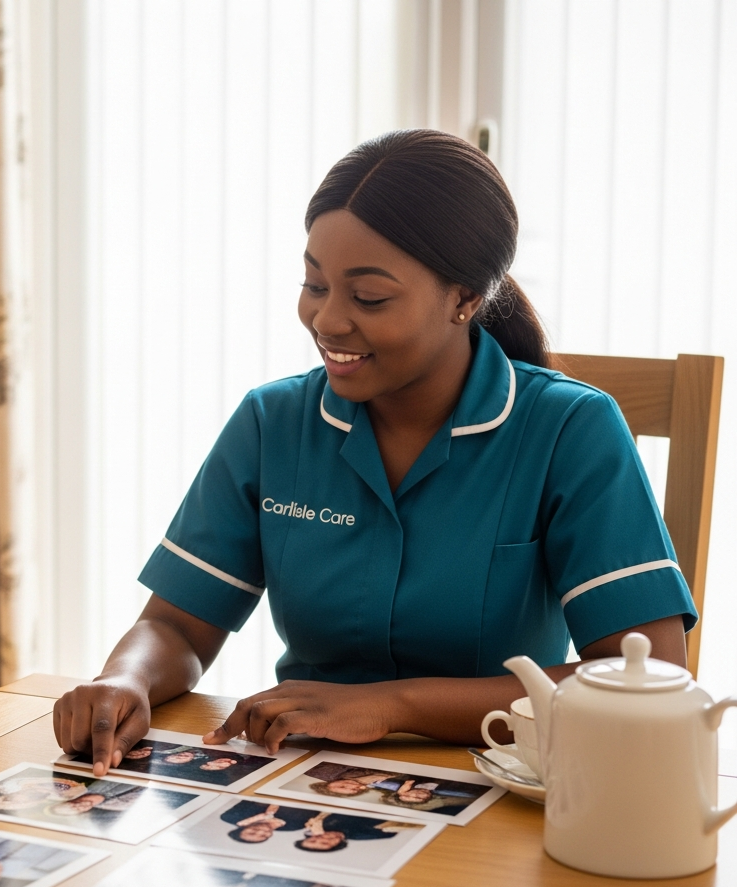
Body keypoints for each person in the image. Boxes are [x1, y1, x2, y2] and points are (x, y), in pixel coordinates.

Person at [52, 129, 695, 774]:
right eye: (314, 284)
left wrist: (393, 705)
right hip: (299, 789)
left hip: (502, 789)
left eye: (369, 298)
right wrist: (125, 680)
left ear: (466, 297)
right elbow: (177, 627)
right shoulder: (271, 422)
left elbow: (649, 674)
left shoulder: (569, 429)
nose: (327, 321)